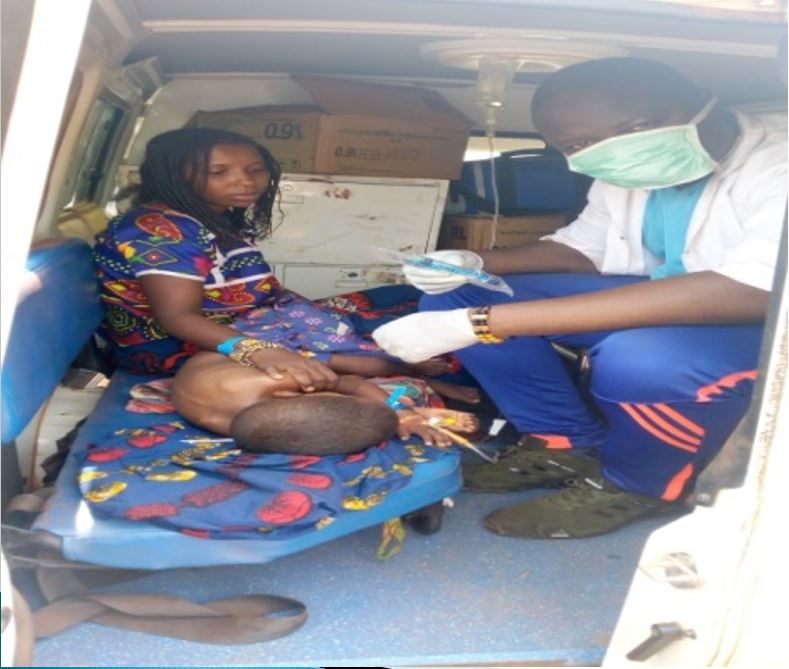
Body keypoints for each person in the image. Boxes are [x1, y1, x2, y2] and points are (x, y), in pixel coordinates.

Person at [373, 57, 786, 539]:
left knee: (641, 358)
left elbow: (750, 289)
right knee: (460, 295)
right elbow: (585, 250)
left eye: (632, 129)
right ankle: (563, 443)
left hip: (764, 322)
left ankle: (639, 486)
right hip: (680, 301)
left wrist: (483, 323)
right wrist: (474, 262)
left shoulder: (776, 163)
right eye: (574, 146)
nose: (591, 155)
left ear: (694, 105)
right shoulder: (627, 170)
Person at [92, 127, 451, 390]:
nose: (245, 182)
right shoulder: (160, 230)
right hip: (182, 346)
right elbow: (177, 318)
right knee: (387, 355)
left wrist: (315, 314)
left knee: (408, 296)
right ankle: (400, 371)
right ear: (173, 176)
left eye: (255, 169)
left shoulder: (207, 216)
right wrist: (261, 352)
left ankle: (380, 356)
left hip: (252, 317)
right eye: (218, 172)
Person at [170, 350, 480, 454]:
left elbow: (351, 383)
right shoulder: (256, 426)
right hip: (214, 379)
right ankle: (423, 386)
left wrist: (400, 412)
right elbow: (344, 398)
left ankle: (421, 374)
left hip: (244, 354)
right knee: (374, 375)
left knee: (372, 365)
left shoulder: (280, 380)